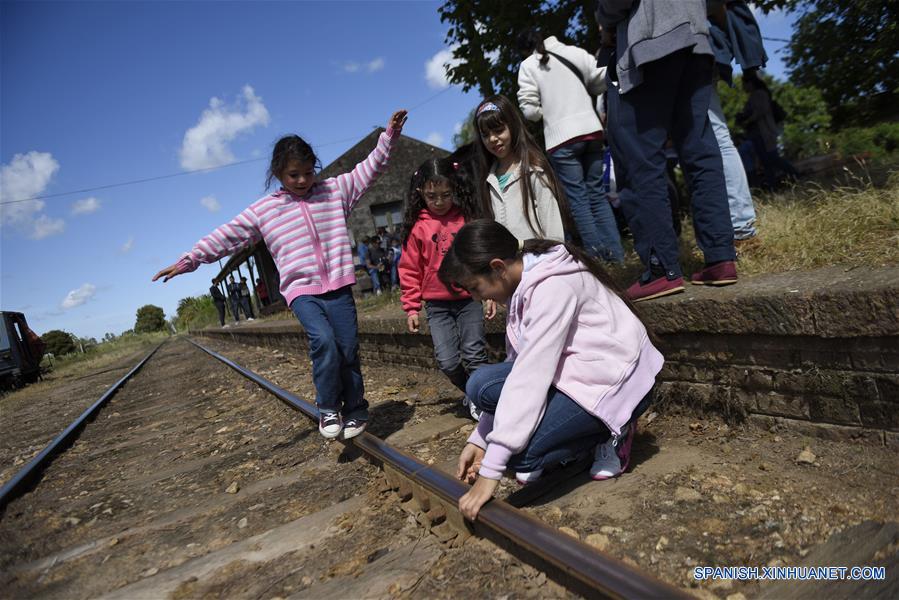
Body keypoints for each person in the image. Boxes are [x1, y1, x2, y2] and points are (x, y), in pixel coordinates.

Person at [153, 109, 409, 440]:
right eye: (293, 175)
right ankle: (329, 407)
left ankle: (356, 408)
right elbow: (227, 235)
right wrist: (190, 260)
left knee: (347, 348)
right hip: (301, 291)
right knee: (324, 341)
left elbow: (369, 170)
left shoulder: (334, 191)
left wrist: (388, 138)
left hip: (340, 285)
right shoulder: (265, 211)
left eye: (307, 172)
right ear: (278, 174)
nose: (302, 180)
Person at [438, 220, 661, 520]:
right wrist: (480, 439)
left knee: (520, 457)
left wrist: (491, 469)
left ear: (497, 267)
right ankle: (570, 437)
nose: (477, 298)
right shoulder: (521, 286)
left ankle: (617, 427)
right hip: (577, 374)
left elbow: (530, 376)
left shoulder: (552, 286)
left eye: (475, 288)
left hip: (616, 382)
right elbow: (518, 368)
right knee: (483, 389)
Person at [597, 0, 738, 302]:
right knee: (700, 151)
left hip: (649, 43)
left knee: (637, 155)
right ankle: (720, 257)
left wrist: (604, 20)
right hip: (696, 39)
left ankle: (661, 268)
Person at [399, 158, 495, 421]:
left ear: (455, 190)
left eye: (445, 195)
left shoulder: (465, 218)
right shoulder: (417, 226)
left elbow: (480, 257)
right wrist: (411, 307)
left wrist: (488, 293)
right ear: (421, 193)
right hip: (437, 305)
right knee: (448, 361)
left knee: (474, 353)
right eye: (432, 196)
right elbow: (409, 269)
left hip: (469, 298)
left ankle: (482, 401)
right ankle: (473, 390)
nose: (439, 202)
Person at [517, 29, 624, 263]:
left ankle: (599, 261)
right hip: (591, 131)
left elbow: (529, 110)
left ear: (526, 49)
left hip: (562, 139)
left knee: (579, 201)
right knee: (597, 196)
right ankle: (617, 258)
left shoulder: (527, 65)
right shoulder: (574, 52)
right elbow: (601, 79)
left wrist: (548, 111)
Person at [470, 95, 573, 244]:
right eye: (485, 135)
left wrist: (552, 261)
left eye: (498, 130)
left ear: (512, 126)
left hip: (541, 262)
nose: (492, 139)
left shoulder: (535, 172)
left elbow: (554, 231)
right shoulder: (487, 181)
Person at [708, 0, 765, 241]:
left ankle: (741, 227)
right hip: (695, 46)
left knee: (717, 138)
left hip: (688, 48)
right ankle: (737, 226)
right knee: (714, 138)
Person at [739, 70, 799, 191]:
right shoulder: (755, 95)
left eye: (744, 84)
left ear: (749, 83)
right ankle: (773, 187)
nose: (743, 87)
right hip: (759, 134)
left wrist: (748, 119)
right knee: (767, 161)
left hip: (764, 133)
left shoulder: (759, 94)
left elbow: (762, 111)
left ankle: (795, 174)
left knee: (772, 158)